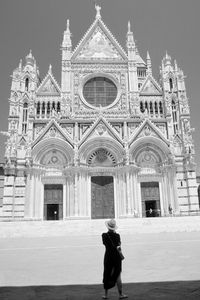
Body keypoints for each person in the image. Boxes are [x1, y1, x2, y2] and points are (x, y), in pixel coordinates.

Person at [102, 219, 128, 299]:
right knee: (118, 275)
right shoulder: (117, 236)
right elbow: (119, 245)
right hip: (116, 257)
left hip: (108, 256)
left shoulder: (104, 235)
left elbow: (104, 243)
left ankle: (106, 295)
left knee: (107, 274)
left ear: (108, 227)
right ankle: (120, 294)